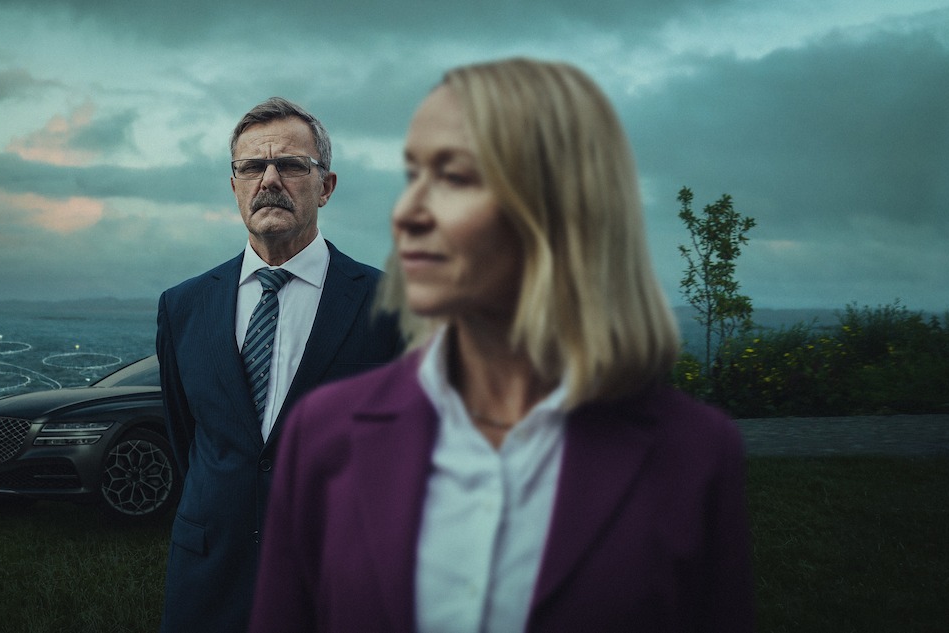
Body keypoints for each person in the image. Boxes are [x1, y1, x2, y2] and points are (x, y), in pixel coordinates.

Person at [249, 59, 754, 632]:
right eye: (414, 175)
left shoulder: (694, 453)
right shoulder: (325, 434)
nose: (408, 213)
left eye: (456, 178)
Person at [156, 96, 403, 632]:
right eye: (251, 167)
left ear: (326, 186)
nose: (269, 180)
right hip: (208, 582)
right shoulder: (183, 307)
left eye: (291, 165)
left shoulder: (392, 306)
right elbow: (190, 439)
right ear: (234, 186)